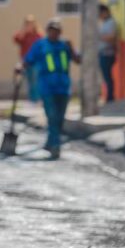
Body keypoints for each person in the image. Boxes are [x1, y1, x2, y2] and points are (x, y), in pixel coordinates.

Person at [20, 18, 81, 159]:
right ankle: (55, 146)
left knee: (59, 119)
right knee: (52, 117)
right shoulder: (40, 45)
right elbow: (28, 60)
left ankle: (50, 142)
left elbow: (78, 60)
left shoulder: (65, 45)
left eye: (57, 30)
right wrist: (20, 68)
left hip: (64, 88)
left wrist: (72, 48)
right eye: (52, 30)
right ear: (48, 31)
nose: (55, 33)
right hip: (47, 88)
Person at [13, 16, 43, 103]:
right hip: (25, 62)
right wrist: (24, 31)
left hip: (35, 62)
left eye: (31, 23)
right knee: (29, 80)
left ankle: (36, 99)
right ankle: (32, 99)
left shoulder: (38, 35)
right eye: (27, 23)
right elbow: (16, 39)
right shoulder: (24, 34)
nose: (29, 25)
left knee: (35, 80)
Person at [98, 4, 119, 103]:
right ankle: (108, 95)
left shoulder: (111, 23)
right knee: (105, 77)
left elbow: (111, 37)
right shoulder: (104, 23)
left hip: (108, 53)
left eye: (100, 14)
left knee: (108, 76)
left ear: (105, 12)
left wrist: (98, 35)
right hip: (102, 53)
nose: (99, 16)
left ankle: (110, 97)